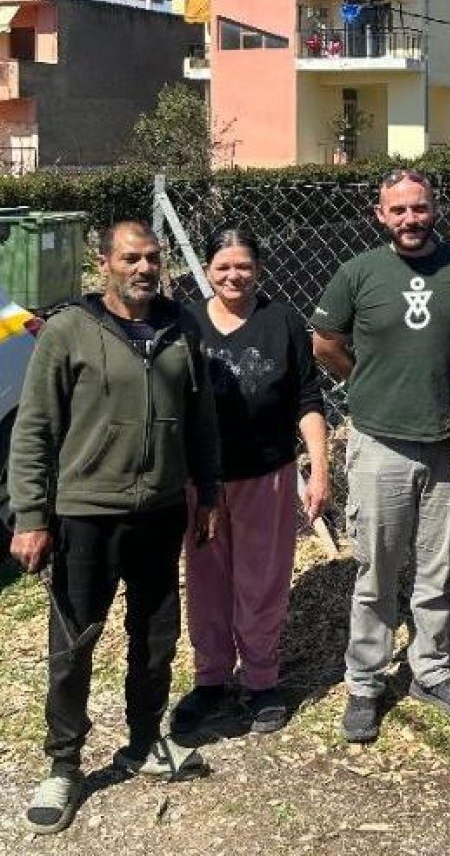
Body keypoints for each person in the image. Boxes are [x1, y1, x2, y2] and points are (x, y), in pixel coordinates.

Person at [9, 221, 221, 835]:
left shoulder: (182, 328)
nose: (145, 268)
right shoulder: (70, 330)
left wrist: (207, 491)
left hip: (159, 513)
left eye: (153, 257)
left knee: (155, 638)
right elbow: (35, 430)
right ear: (105, 263)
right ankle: (64, 763)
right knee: (74, 645)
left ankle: (143, 739)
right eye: (131, 257)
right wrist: (30, 516)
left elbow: (201, 419)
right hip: (85, 515)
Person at [312, 168, 450, 743]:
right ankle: (365, 680)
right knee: (377, 569)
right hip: (380, 442)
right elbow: (326, 343)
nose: (410, 219)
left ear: (434, 208)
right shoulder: (359, 273)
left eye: (419, 208)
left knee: (437, 568)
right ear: (380, 215)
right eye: (398, 211)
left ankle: (430, 670)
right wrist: (366, 383)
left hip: (448, 445)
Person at [171, 226, 329, 736]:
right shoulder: (186, 321)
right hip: (203, 480)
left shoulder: (281, 321)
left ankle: (262, 679)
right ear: (208, 269)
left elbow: (307, 399)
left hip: (268, 473)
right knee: (207, 580)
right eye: (223, 267)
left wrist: (319, 468)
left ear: (258, 269)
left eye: (243, 266)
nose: (234, 275)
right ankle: (210, 678)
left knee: (263, 579)